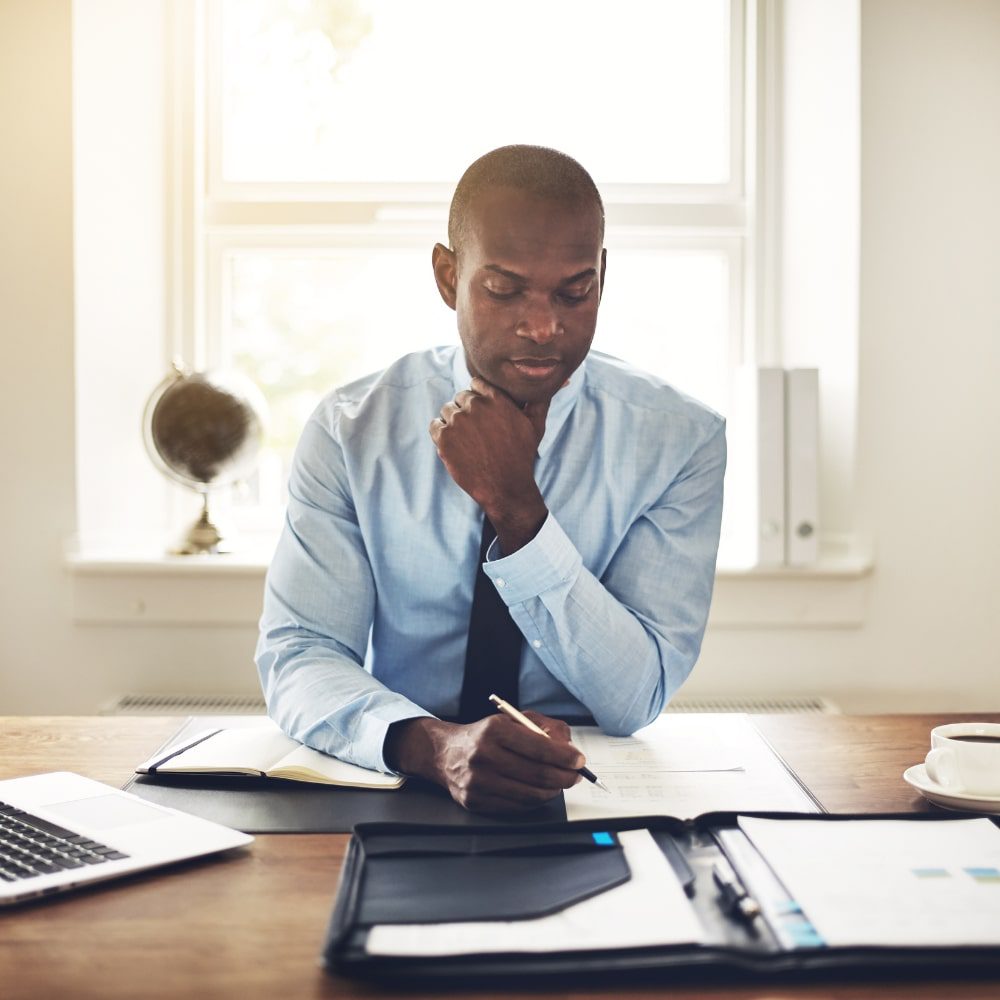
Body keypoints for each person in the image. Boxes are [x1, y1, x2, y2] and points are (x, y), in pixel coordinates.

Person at [256, 144, 726, 814]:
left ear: (602, 275)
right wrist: (435, 746)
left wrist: (517, 508)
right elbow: (300, 655)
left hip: (591, 791)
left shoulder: (680, 440)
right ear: (449, 277)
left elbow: (634, 697)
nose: (543, 326)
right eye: (504, 290)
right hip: (400, 775)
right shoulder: (350, 430)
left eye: (575, 291)